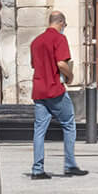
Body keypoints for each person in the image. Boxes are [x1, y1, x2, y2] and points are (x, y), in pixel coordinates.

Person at [28, 11, 87, 180]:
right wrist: (70, 76)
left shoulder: (36, 42)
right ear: (61, 23)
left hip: (39, 90)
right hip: (55, 89)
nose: (64, 28)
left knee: (39, 130)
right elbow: (61, 63)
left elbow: (35, 65)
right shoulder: (59, 39)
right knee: (69, 124)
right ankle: (70, 165)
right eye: (65, 25)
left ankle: (37, 169)